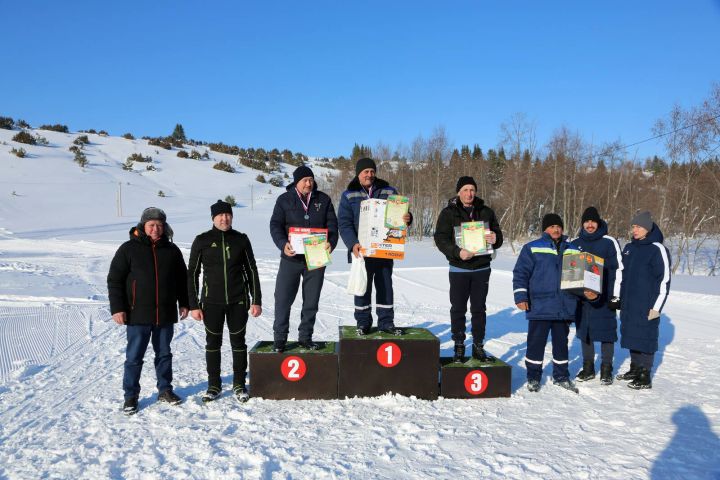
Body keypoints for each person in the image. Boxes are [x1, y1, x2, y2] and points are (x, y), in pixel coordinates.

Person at [107, 207, 189, 415]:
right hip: (137, 314)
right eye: (151, 225)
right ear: (143, 226)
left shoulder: (172, 250)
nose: (156, 229)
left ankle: (165, 390)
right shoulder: (128, 249)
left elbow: (182, 280)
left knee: (164, 354)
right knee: (134, 357)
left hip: (165, 313)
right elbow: (114, 281)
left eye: (160, 225)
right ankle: (131, 396)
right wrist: (118, 308)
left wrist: (185, 303)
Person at [188, 200, 262, 403]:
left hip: (238, 301)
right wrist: (194, 304)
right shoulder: (202, 240)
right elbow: (192, 274)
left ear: (232, 217)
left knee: (238, 342)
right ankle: (214, 384)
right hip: (211, 302)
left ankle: (239, 382)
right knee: (213, 343)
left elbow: (251, 270)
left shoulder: (241, 239)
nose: (224, 218)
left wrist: (256, 300)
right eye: (220, 215)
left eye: (227, 215)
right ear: (213, 218)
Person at [513, 213, 591, 393]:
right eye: (552, 226)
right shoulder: (532, 248)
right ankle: (533, 377)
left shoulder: (573, 250)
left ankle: (561, 376)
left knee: (561, 343)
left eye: (558, 226)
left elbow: (578, 280)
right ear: (545, 229)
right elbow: (520, 274)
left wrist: (586, 292)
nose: (556, 229)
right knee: (536, 342)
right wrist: (521, 297)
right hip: (540, 305)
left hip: (564, 307)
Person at [338, 157, 412, 336]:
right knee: (362, 286)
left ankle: (386, 322)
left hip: (384, 249)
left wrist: (408, 218)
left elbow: (400, 215)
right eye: (366, 172)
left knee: (385, 286)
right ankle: (363, 322)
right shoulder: (349, 194)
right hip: (361, 251)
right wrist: (352, 244)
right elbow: (344, 223)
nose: (369, 175)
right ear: (358, 174)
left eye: (372, 171)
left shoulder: (389, 190)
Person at [433, 176, 503, 362]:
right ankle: (458, 345)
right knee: (458, 308)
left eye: (472, 189)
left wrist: (496, 238)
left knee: (479, 309)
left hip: (481, 268)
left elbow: (499, 236)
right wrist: (457, 252)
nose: (469, 193)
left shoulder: (486, 211)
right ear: (458, 192)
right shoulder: (448, 213)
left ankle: (478, 346)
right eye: (465, 190)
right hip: (459, 269)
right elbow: (441, 239)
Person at [269, 165, 338, 352]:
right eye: (304, 180)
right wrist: (283, 244)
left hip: (316, 259)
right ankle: (280, 339)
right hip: (291, 258)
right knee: (283, 299)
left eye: (311, 180)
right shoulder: (284, 200)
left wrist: (331, 242)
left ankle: (305, 337)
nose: (309, 183)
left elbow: (332, 225)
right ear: (296, 182)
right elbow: (275, 225)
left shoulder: (323, 200)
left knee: (311, 301)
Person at [616, 211, 670, 389]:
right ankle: (635, 368)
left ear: (647, 228)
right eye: (633, 226)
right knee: (632, 335)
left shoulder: (657, 248)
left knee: (646, 338)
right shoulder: (629, 248)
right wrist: (618, 297)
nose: (635, 230)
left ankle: (645, 375)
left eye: (639, 226)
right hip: (629, 303)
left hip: (647, 304)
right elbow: (621, 275)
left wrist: (657, 307)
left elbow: (664, 280)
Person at [570, 207, 624, 385]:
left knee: (607, 332)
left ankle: (606, 369)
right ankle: (588, 368)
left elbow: (620, 269)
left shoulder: (609, 242)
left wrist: (615, 296)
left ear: (598, 223)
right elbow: (570, 270)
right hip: (583, 297)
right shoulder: (575, 242)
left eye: (593, 221)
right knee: (585, 332)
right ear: (582, 223)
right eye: (586, 221)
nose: (590, 224)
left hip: (604, 297)